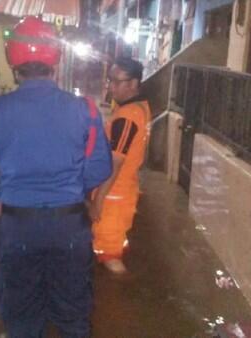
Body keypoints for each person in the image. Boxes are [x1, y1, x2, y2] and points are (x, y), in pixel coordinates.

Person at [0, 16, 112, 338]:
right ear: (57, 59)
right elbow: (100, 168)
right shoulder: (86, 110)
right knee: (73, 317)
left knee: (23, 319)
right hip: (70, 226)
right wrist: (69, 190)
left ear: (13, 61)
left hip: (18, 227)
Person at [88, 57, 152, 274]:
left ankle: (121, 298)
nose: (111, 86)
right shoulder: (140, 107)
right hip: (120, 192)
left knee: (110, 256)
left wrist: (98, 200)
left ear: (133, 84)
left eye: (117, 81)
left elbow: (115, 163)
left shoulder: (128, 117)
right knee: (110, 249)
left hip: (113, 195)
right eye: (110, 80)